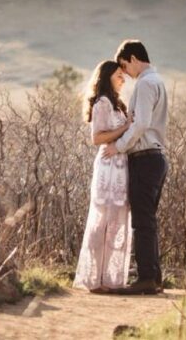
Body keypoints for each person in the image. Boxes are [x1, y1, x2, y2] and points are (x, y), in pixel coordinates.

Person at [103, 39, 168, 295]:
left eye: (124, 66)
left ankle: (146, 278)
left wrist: (118, 147)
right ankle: (154, 276)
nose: (126, 74)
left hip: (145, 157)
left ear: (132, 58)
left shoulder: (145, 83)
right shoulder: (158, 81)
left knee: (141, 221)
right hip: (157, 157)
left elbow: (140, 124)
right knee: (148, 219)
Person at [73, 60, 133, 292]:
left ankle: (110, 279)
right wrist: (126, 127)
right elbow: (97, 138)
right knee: (102, 222)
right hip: (108, 167)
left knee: (117, 223)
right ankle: (93, 279)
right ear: (107, 76)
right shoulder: (102, 103)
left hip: (121, 166)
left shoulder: (118, 104)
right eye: (119, 74)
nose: (123, 78)